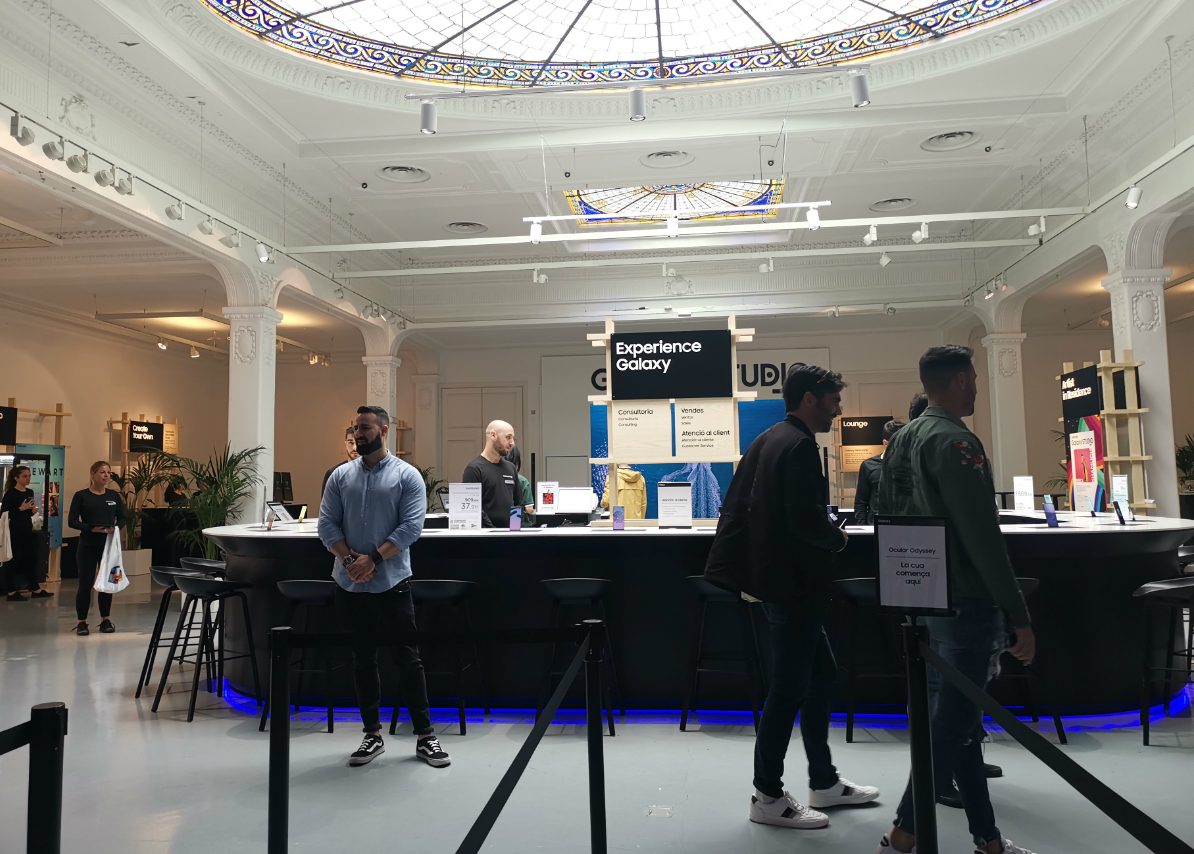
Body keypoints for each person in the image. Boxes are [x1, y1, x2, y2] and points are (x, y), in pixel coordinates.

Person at [874, 345, 1036, 854]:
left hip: (922, 599)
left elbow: (887, 515)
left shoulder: (902, 441)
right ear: (963, 380)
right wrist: (1018, 614)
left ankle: (987, 838)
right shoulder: (956, 442)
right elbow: (983, 537)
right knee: (955, 722)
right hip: (967, 599)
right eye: (975, 379)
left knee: (957, 722)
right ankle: (905, 830)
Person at [730, 364, 879, 830]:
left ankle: (824, 781)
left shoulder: (769, 439)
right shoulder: (797, 446)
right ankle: (767, 795)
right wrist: (838, 538)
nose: (838, 409)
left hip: (782, 584)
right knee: (789, 688)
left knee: (819, 676)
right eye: (833, 400)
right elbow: (803, 519)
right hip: (794, 586)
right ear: (810, 399)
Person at [318, 405, 449, 769]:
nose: (358, 434)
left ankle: (425, 736)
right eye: (355, 428)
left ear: (384, 430)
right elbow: (326, 525)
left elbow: (411, 528)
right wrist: (350, 561)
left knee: (408, 659)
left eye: (365, 428)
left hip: (392, 582)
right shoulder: (340, 476)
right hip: (349, 583)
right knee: (362, 659)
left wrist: (372, 559)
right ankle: (372, 734)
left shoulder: (407, 476)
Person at [67, 461, 125, 636]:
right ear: (93, 474)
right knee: (85, 584)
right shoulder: (81, 496)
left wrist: (115, 527)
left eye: (108, 472)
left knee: (108, 583)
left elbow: (123, 517)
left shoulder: (114, 496)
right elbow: (72, 521)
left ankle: (105, 619)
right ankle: (82, 622)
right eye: (102, 472)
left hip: (108, 546)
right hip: (88, 545)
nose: (106, 475)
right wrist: (90, 528)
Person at [2, 465, 52, 601]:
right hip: (14, 532)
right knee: (13, 561)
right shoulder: (10, 494)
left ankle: (35, 588)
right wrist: (20, 508)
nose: (28, 478)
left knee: (31, 559)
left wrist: (31, 511)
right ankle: (11, 591)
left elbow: (27, 512)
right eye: (25, 476)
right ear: (16, 478)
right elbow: (5, 514)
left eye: (29, 476)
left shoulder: (29, 492)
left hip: (27, 530)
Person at [462, 420, 517, 528]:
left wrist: (515, 529)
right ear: (493, 435)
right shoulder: (474, 469)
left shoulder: (510, 468)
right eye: (508, 437)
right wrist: (492, 532)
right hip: (486, 535)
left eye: (513, 438)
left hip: (510, 535)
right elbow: (474, 508)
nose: (512, 443)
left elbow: (518, 503)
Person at [853, 419, 904, 525]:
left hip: (904, 526)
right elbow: (861, 502)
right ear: (885, 443)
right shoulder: (868, 466)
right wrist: (863, 528)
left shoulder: (911, 464)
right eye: (898, 443)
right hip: (875, 527)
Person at [321, 425, 359, 498]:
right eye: (350, 442)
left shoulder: (372, 472)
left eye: (358, 442)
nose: (355, 448)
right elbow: (326, 504)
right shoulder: (333, 473)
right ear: (345, 443)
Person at [505, 445, 535, 521]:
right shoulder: (522, 481)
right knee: (515, 527)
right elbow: (529, 509)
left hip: (495, 521)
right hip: (515, 518)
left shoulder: (495, 478)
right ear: (517, 461)